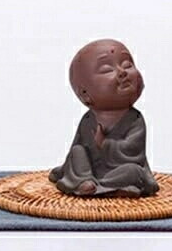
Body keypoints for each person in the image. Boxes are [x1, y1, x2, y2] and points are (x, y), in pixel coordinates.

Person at [50, 39, 158, 197]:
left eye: (127, 65)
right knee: (77, 151)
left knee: (134, 171)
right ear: (85, 95)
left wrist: (104, 143)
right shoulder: (88, 120)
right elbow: (77, 147)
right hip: (89, 170)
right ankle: (85, 181)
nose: (122, 72)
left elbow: (134, 152)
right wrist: (65, 169)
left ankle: (103, 186)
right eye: (107, 69)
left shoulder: (135, 119)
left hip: (119, 170)